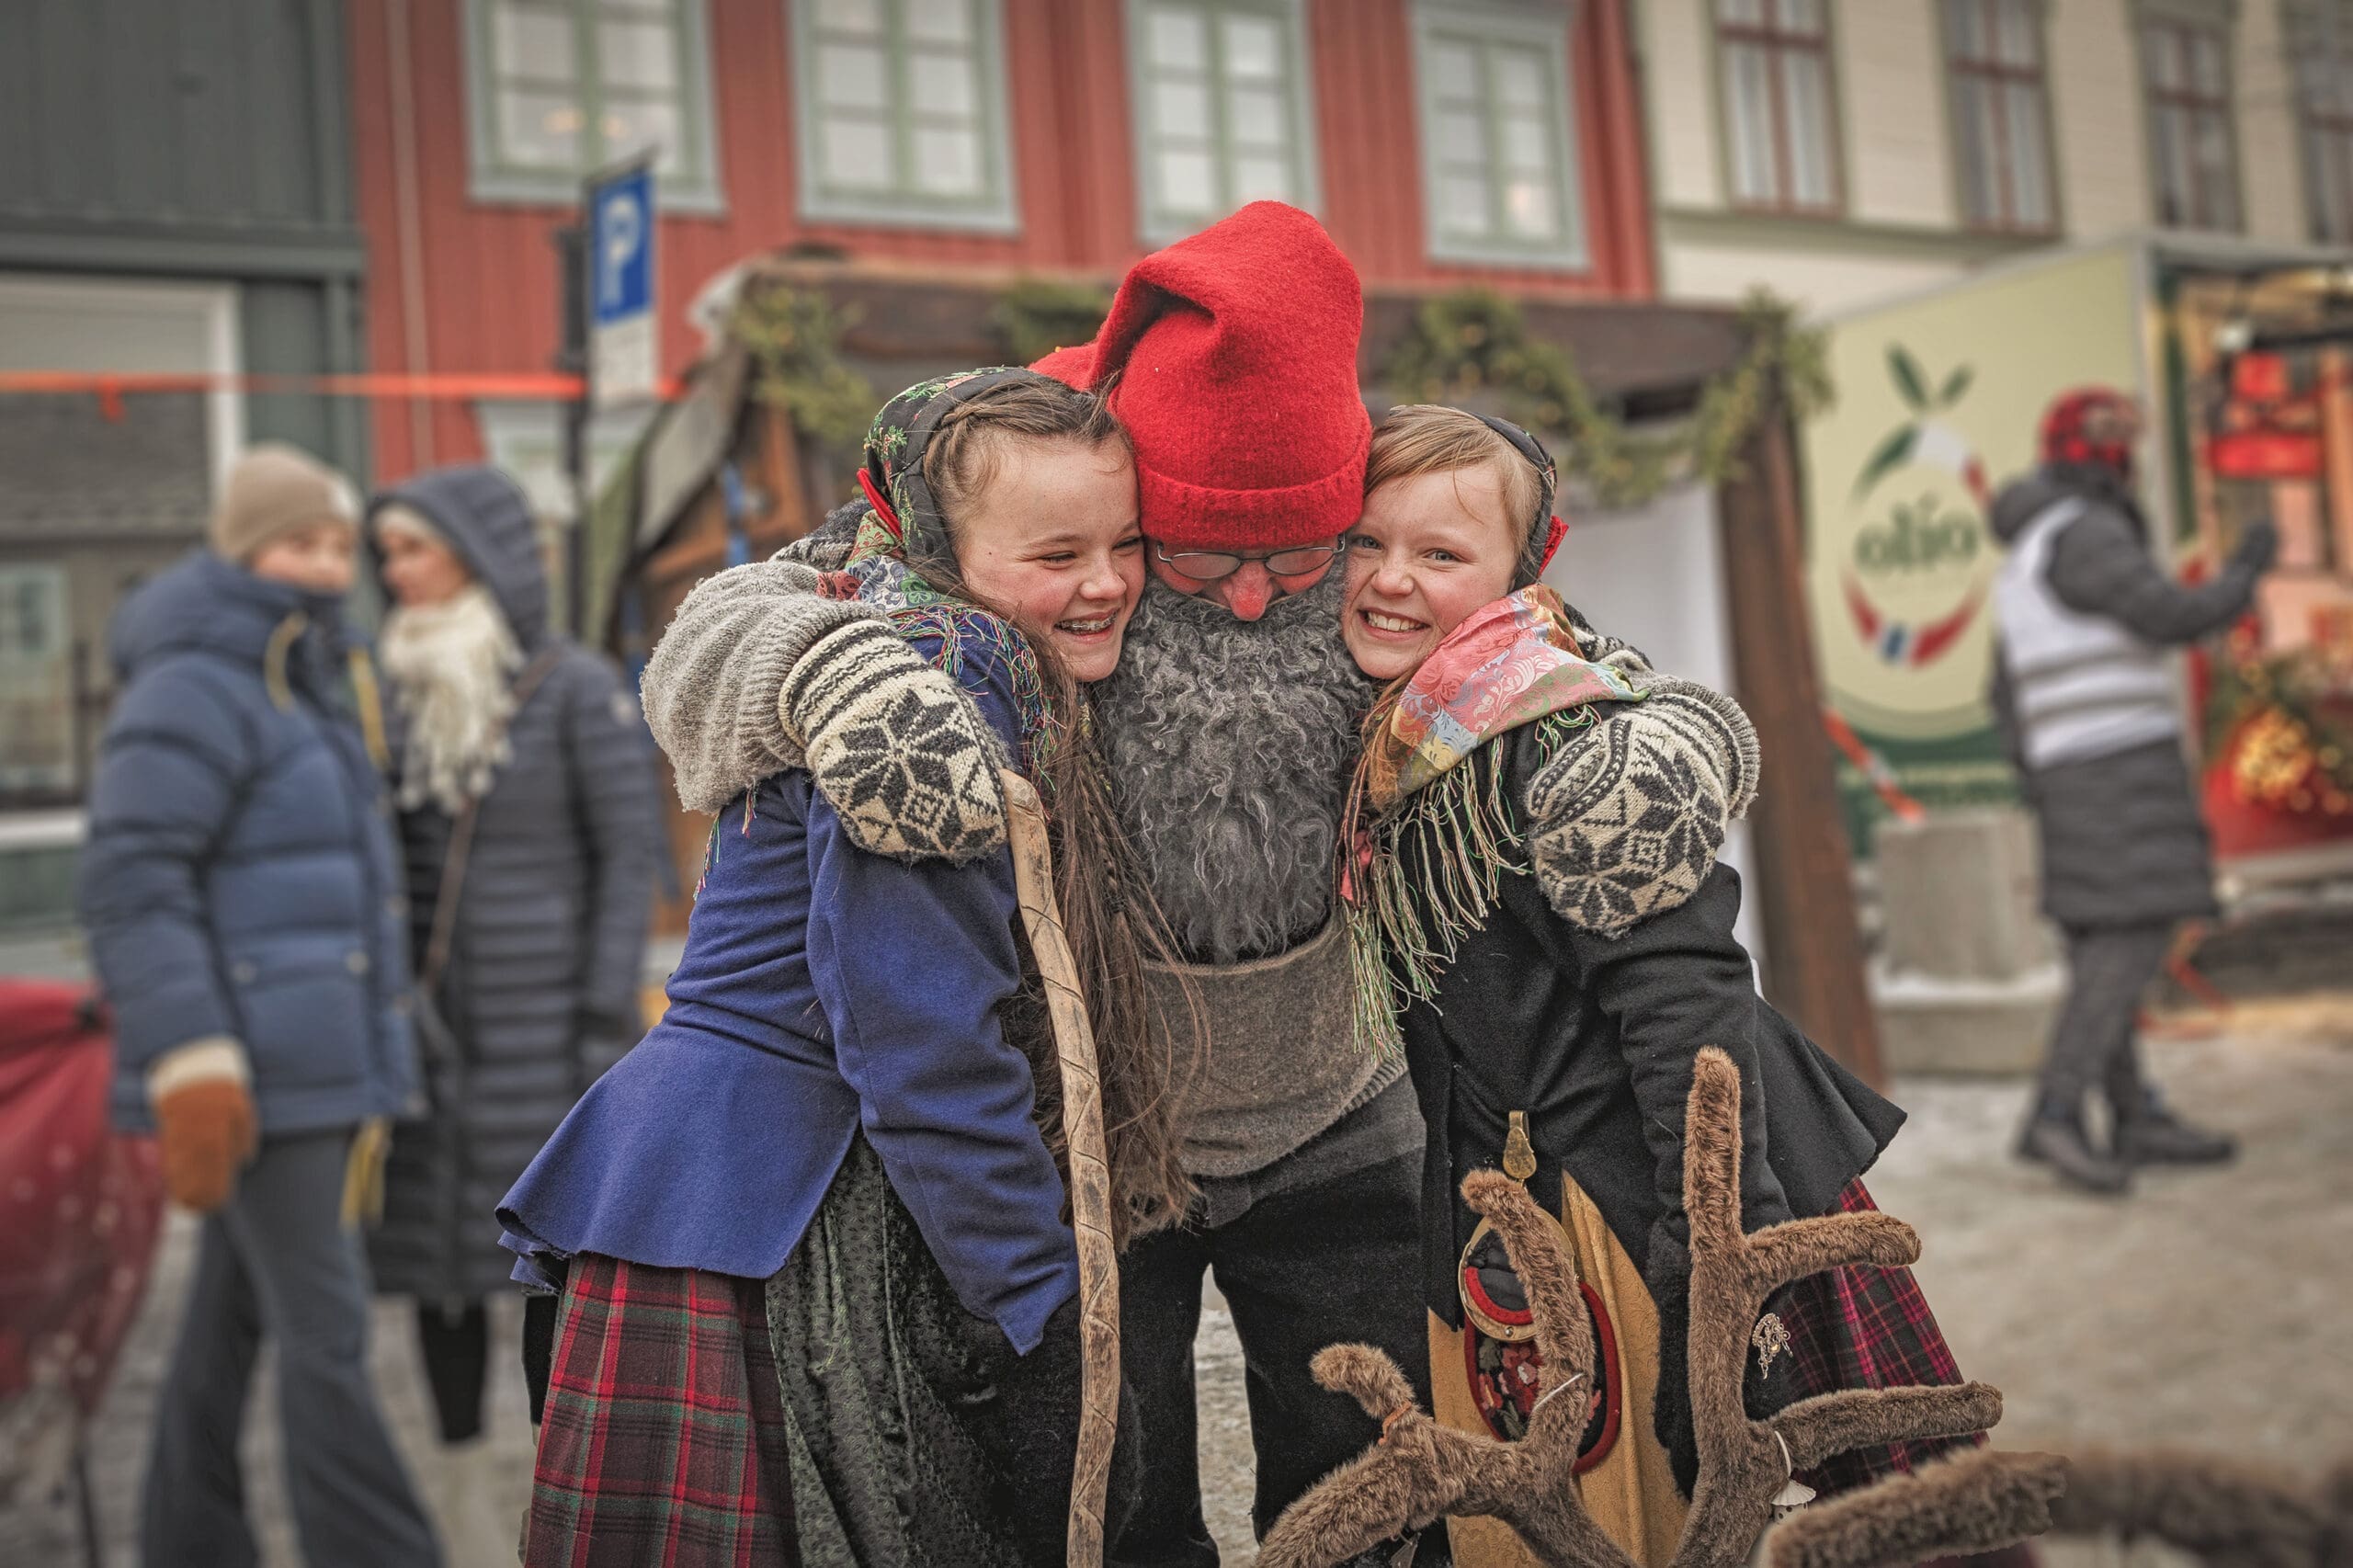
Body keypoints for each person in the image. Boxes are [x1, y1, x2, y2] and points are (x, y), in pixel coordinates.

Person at [643, 202, 1753, 1568]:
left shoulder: (1378, 543)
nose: (1244, 597)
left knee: (1372, 1486)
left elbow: (1555, 649)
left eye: (1290, 560)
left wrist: (1682, 736)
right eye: (1201, 556)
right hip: (1109, 1138)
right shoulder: (1064, 507)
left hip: (1343, 1113)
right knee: (1119, 1503)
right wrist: (825, 672)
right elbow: (741, 617)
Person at [500, 369, 1188, 1567]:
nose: (1107, 581)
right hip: (791, 1201)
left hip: (707, 1170)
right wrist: (1031, 1295)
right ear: (938, 542)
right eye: (1058, 550)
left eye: (1127, 543)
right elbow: (918, 1035)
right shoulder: (941, 684)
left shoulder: (888, 614)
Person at [1341, 406, 2024, 1568]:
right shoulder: (1409, 731)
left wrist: (1715, 1278)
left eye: (1441, 553)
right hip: (1520, 1205)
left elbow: (1689, 1019)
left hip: (1668, 1198)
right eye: (1365, 541)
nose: (1390, 578)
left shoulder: (1569, 744)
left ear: (1524, 567)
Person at [77, 443, 438, 1568]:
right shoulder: (197, 682)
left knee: (226, 1325)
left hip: (315, 1057)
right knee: (325, 1339)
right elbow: (132, 880)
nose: (327, 566)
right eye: (298, 543)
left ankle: (187, 1539)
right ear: (241, 551)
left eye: (340, 545)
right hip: (260, 1073)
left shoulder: (308, 677)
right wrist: (192, 1053)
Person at [359, 466, 661, 1532]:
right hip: (436, 1043)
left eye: (414, 548)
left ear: (477, 555)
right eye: (385, 553)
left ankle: (555, 1511)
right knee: (441, 1276)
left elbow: (630, 855)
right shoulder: (379, 692)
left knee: (551, 1279)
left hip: (553, 1041)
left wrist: (595, 1011)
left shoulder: (571, 685)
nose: (395, 572)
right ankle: (461, 1511)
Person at [1989, 388, 2275, 1194]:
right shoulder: (2088, 530)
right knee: (2133, 936)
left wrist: (2039, 771)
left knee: (2099, 944)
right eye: (2119, 438)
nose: (2130, 453)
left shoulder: (2031, 547)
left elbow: (2002, 691)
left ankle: (2133, 1112)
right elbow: (2171, 614)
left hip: (2073, 774)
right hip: (2116, 769)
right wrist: (2248, 567)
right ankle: (2055, 1113)